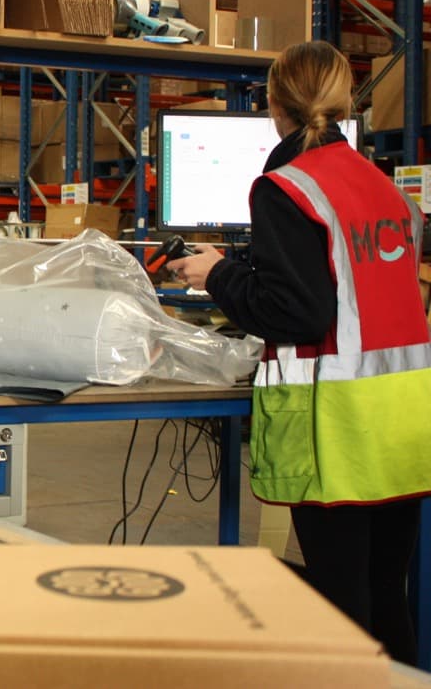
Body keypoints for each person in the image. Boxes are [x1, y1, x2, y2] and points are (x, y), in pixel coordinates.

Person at [167, 40, 431, 665]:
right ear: (343, 104)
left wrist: (217, 275)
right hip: (403, 423)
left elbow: (298, 311)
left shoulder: (286, 187)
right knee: (384, 593)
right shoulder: (386, 189)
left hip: (336, 429)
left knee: (341, 603)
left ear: (272, 105)